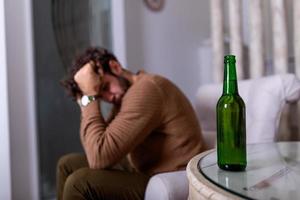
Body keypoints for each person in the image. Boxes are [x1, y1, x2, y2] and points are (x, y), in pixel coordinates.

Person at [58, 47, 206, 200]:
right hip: (142, 170)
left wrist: (90, 96)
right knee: (67, 164)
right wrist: (85, 101)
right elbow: (95, 146)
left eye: (105, 87)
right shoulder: (126, 96)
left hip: (166, 179)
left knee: (79, 183)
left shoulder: (146, 89)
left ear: (115, 67)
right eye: (101, 96)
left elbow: (99, 156)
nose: (109, 98)